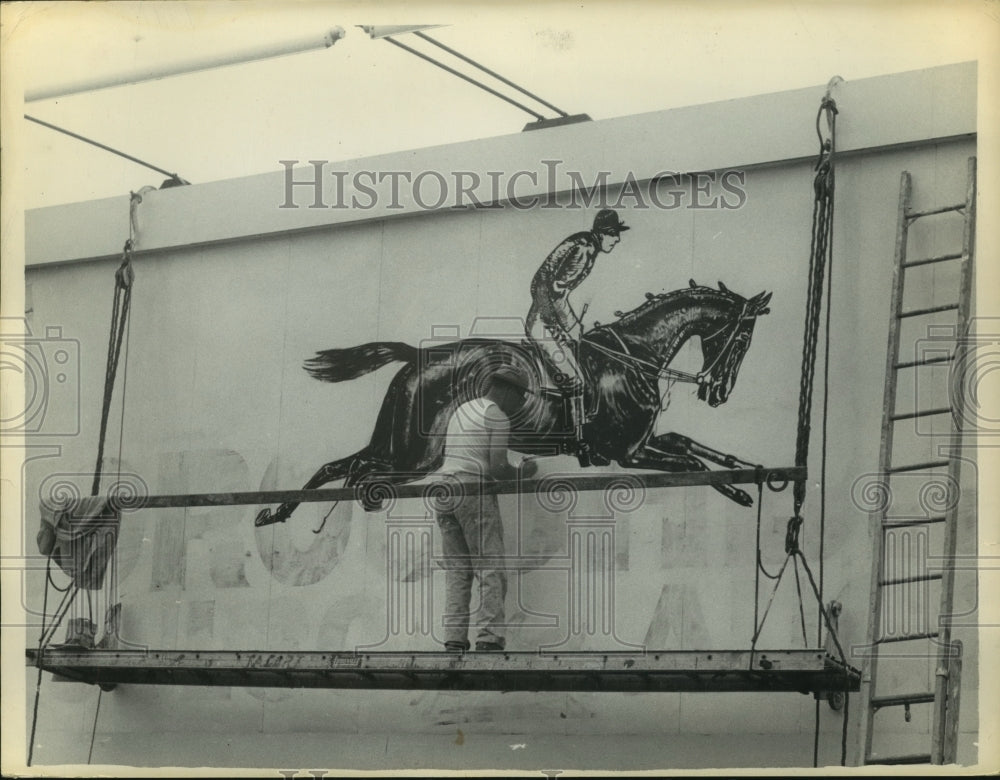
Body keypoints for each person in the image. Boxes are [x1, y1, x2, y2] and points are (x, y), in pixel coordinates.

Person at [434, 366, 536, 653]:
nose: (520, 405)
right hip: (472, 491)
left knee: (458, 570)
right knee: (490, 566)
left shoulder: (462, 411)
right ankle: (489, 639)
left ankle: (454, 639)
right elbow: (498, 468)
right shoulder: (496, 416)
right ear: (506, 390)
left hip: (443, 490)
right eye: (520, 397)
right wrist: (525, 472)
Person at [525, 208, 629, 464]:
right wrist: (571, 326)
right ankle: (574, 441)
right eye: (614, 235)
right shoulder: (584, 249)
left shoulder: (587, 245)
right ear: (604, 233)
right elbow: (555, 289)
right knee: (575, 381)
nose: (617, 240)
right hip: (543, 323)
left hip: (550, 320)